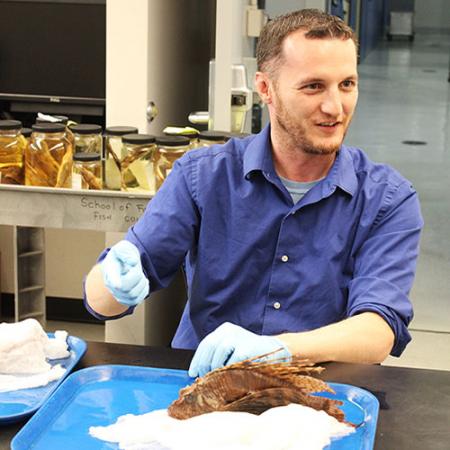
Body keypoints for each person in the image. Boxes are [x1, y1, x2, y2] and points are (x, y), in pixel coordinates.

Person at [85, 9, 423, 378]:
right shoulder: (203, 177)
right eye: (313, 86)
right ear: (265, 89)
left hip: (316, 396)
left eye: (347, 84)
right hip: (203, 385)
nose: (335, 107)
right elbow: (105, 302)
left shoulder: (387, 200)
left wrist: (283, 349)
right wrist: (111, 281)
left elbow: (377, 331)